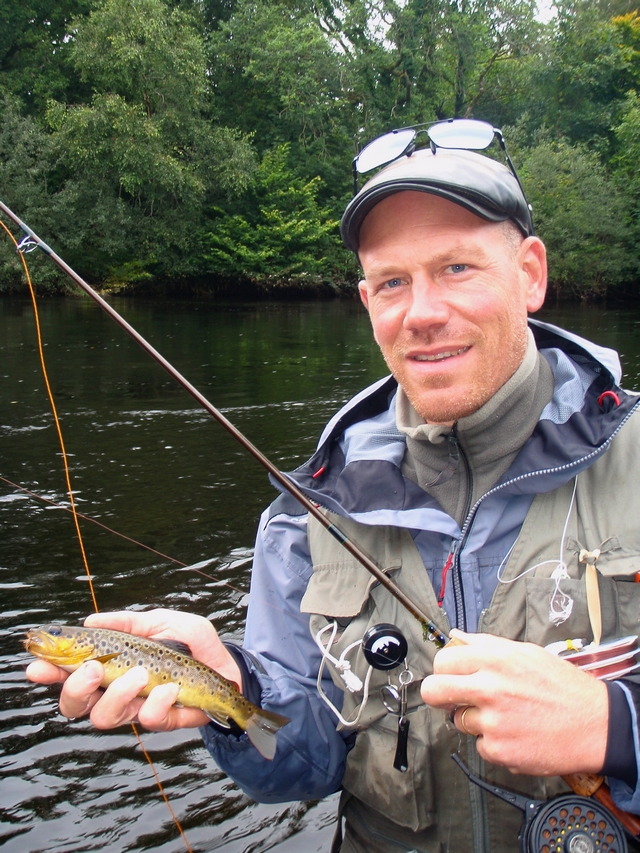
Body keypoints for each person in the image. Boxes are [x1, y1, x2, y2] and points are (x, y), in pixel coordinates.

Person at [27, 126, 640, 853]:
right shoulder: (306, 511)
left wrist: (615, 729)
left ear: (530, 273)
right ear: (365, 299)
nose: (422, 312)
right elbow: (301, 764)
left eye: (456, 268)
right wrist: (234, 691)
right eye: (392, 281)